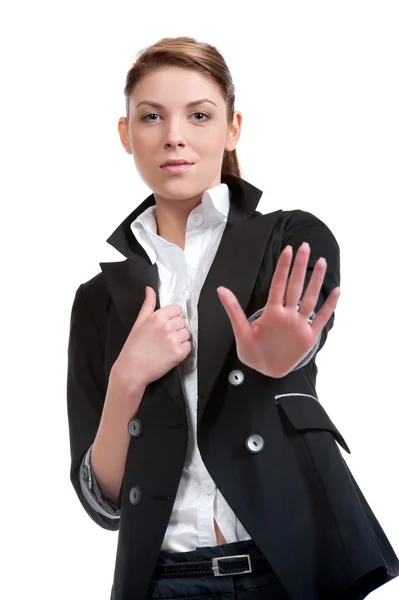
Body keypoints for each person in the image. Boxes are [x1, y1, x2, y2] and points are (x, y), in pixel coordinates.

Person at [66, 36, 399, 600]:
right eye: (151, 116)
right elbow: (105, 503)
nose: (175, 135)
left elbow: (306, 326)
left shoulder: (288, 237)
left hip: (289, 570)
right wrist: (127, 380)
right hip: (160, 582)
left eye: (199, 115)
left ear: (233, 128)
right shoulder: (97, 299)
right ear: (126, 134)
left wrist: (284, 354)